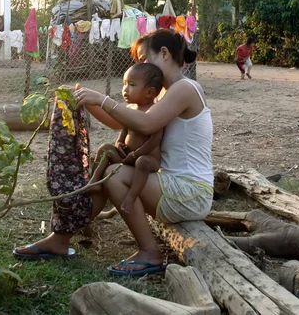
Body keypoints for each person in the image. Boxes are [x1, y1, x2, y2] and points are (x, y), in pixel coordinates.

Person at [13, 29, 213, 277]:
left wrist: (102, 99)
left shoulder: (185, 89)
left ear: (164, 53)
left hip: (190, 192)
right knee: (108, 173)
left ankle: (149, 252)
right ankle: (59, 239)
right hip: (173, 188)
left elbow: (146, 125)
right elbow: (121, 121)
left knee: (115, 175)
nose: (141, 66)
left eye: (143, 59)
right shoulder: (163, 95)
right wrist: (85, 99)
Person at [89, 63, 164, 216]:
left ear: (150, 92)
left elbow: (155, 140)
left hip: (147, 159)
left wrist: (137, 155)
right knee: (105, 148)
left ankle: (131, 196)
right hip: (126, 155)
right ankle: (94, 181)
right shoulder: (129, 111)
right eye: (124, 84)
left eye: (131, 85)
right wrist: (118, 143)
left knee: (142, 162)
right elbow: (123, 131)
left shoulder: (154, 113)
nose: (125, 89)